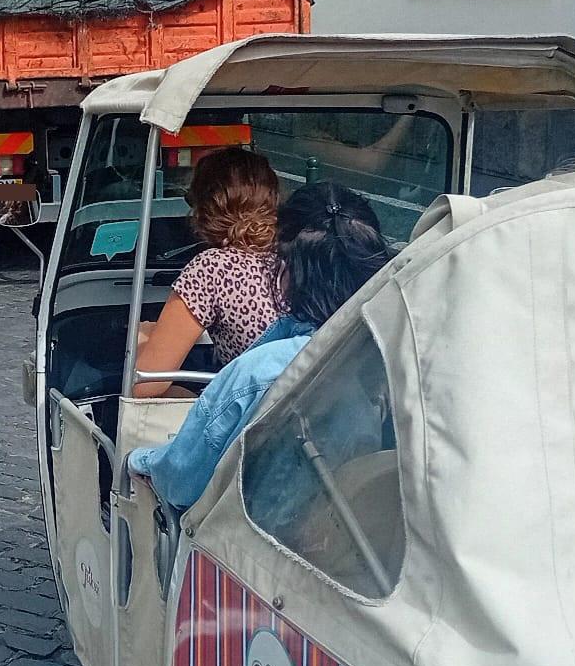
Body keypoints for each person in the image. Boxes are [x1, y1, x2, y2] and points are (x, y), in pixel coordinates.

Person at [129, 182, 394, 516]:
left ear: (287, 269)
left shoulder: (259, 371)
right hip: (349, 524)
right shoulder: (391, 356)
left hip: (257, 533)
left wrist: (138, 459)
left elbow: (180, 481)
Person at [131, 147, 285, 397]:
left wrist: (142, 339)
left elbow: (145, 384)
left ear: (204, 208)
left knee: (165, 396)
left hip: (251, 418)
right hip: (302, 409)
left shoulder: (211, 268)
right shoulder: (297, 256)